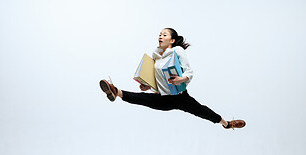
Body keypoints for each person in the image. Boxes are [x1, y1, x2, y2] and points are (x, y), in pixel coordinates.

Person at [99, 28, 246, 130]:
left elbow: (190, 72)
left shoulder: (177, 51)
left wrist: (181, 79)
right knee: (141, 98)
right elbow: (158, 82)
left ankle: (226, 124)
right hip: (164, 98)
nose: (160, 37)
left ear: (172, 40)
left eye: (164, 35)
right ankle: (114, 90)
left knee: (202, 111)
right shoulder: (155, 58)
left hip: (180, 97)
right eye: (159, 34)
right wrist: (147, 86)